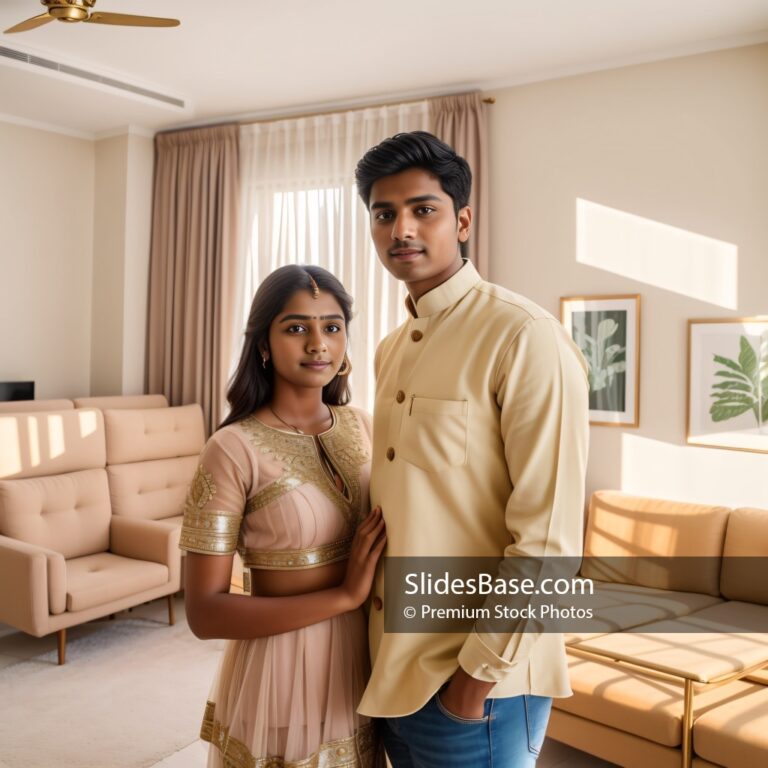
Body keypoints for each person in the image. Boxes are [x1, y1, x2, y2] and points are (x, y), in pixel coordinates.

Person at [354, 132, 590, 767]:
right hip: (391, 675)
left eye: (422, 209)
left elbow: (548, 544)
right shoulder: (391, 348)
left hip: (474, 686)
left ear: (461, 219)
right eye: (383, 213)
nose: (401, 227)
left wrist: (472, 683)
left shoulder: (525, 337)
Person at [180, 265, 386, 768]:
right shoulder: (232, 449)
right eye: (297, 328)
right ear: (264, 345)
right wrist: (344, 595)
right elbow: (204, 613)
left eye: (332, 327)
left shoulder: (364, 426)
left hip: (369, 658)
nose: (318, 344)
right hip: (283, 670)